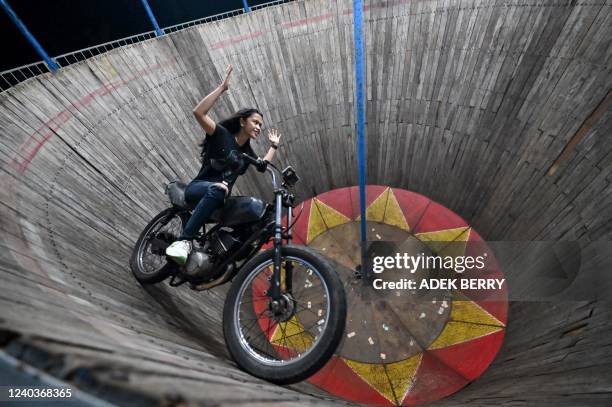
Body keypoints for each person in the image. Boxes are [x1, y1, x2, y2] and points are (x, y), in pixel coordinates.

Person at [166, 65, 281, 264]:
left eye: (261, 125)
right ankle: (183, 241)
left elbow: (262, 166)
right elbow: (199, 113)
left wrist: (274, 146)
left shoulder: (247, 154)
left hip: (220, 198)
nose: (258, 127)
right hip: (198, 189)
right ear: (243, 121)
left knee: (251, 213)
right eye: (255, 122)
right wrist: (222, 88)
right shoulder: (221, 134)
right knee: (219, 189)